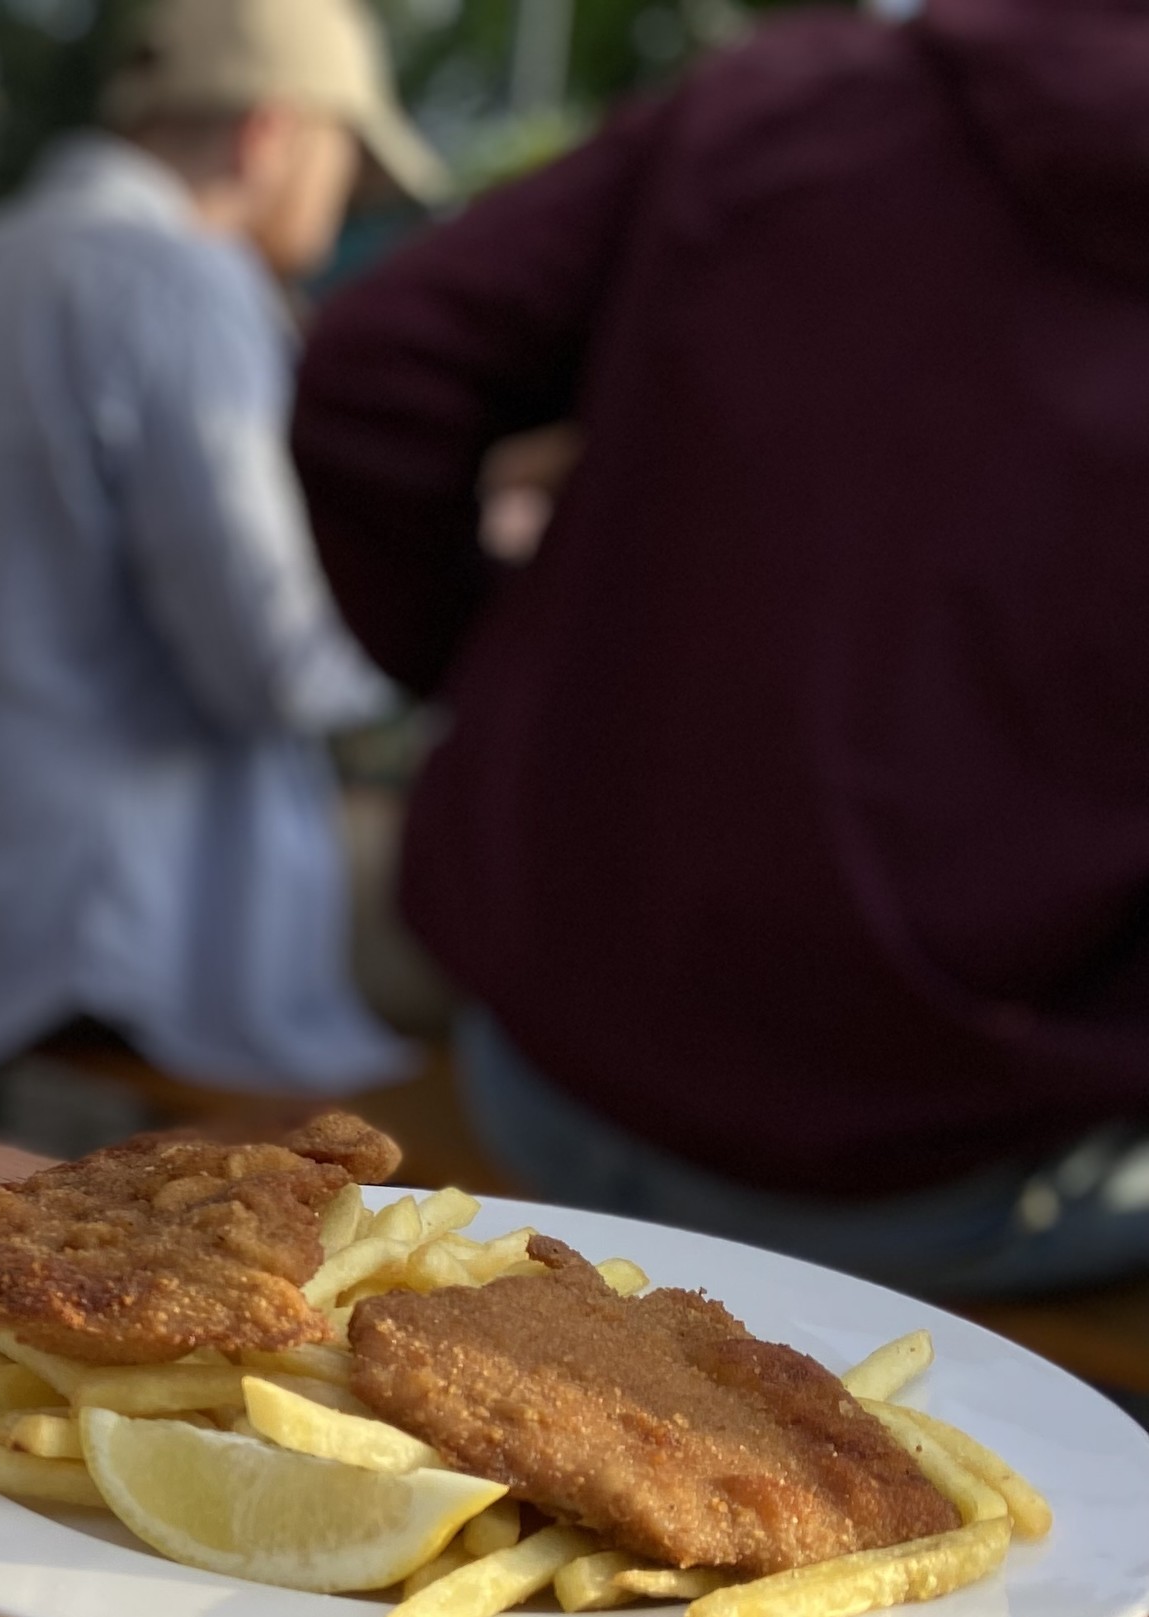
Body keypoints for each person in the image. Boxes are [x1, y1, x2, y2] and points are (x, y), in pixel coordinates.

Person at [291, 0, 1149, 1298]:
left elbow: (376, 363)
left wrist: (499, 678)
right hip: (962, 1164)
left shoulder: (786, 95)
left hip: (558, 1070)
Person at [0, 0, 441, 1108]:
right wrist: (449, 612)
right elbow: (275, 668)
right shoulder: (179, 281)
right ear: (270, 133)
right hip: (72, 950)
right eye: (350, 158)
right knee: (533, 923)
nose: (351, 192)